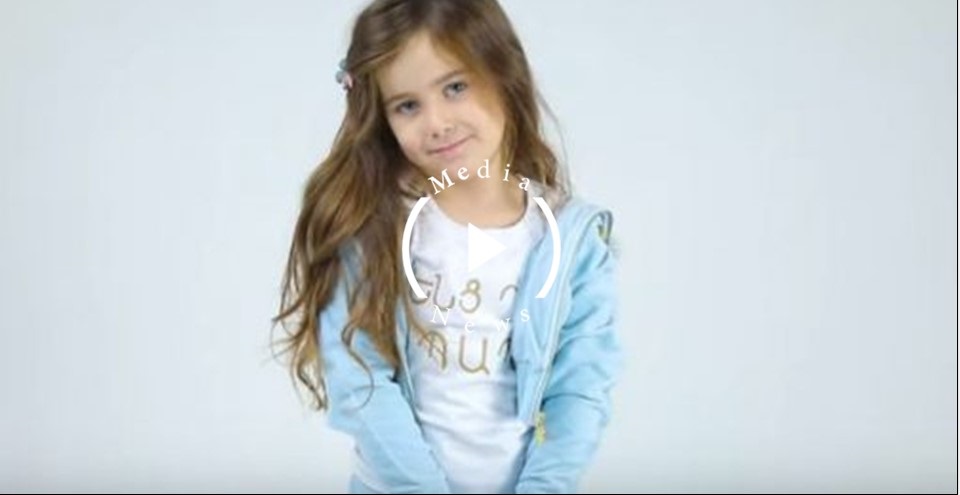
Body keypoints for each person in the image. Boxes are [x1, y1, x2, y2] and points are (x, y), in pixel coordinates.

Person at [274, 0, 620, 492]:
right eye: (407, 105)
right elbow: (360, 379)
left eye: (455, 87)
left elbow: (579, 391)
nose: (436, 122)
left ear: (504, 74)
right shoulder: (376, 225)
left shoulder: (570, 238)